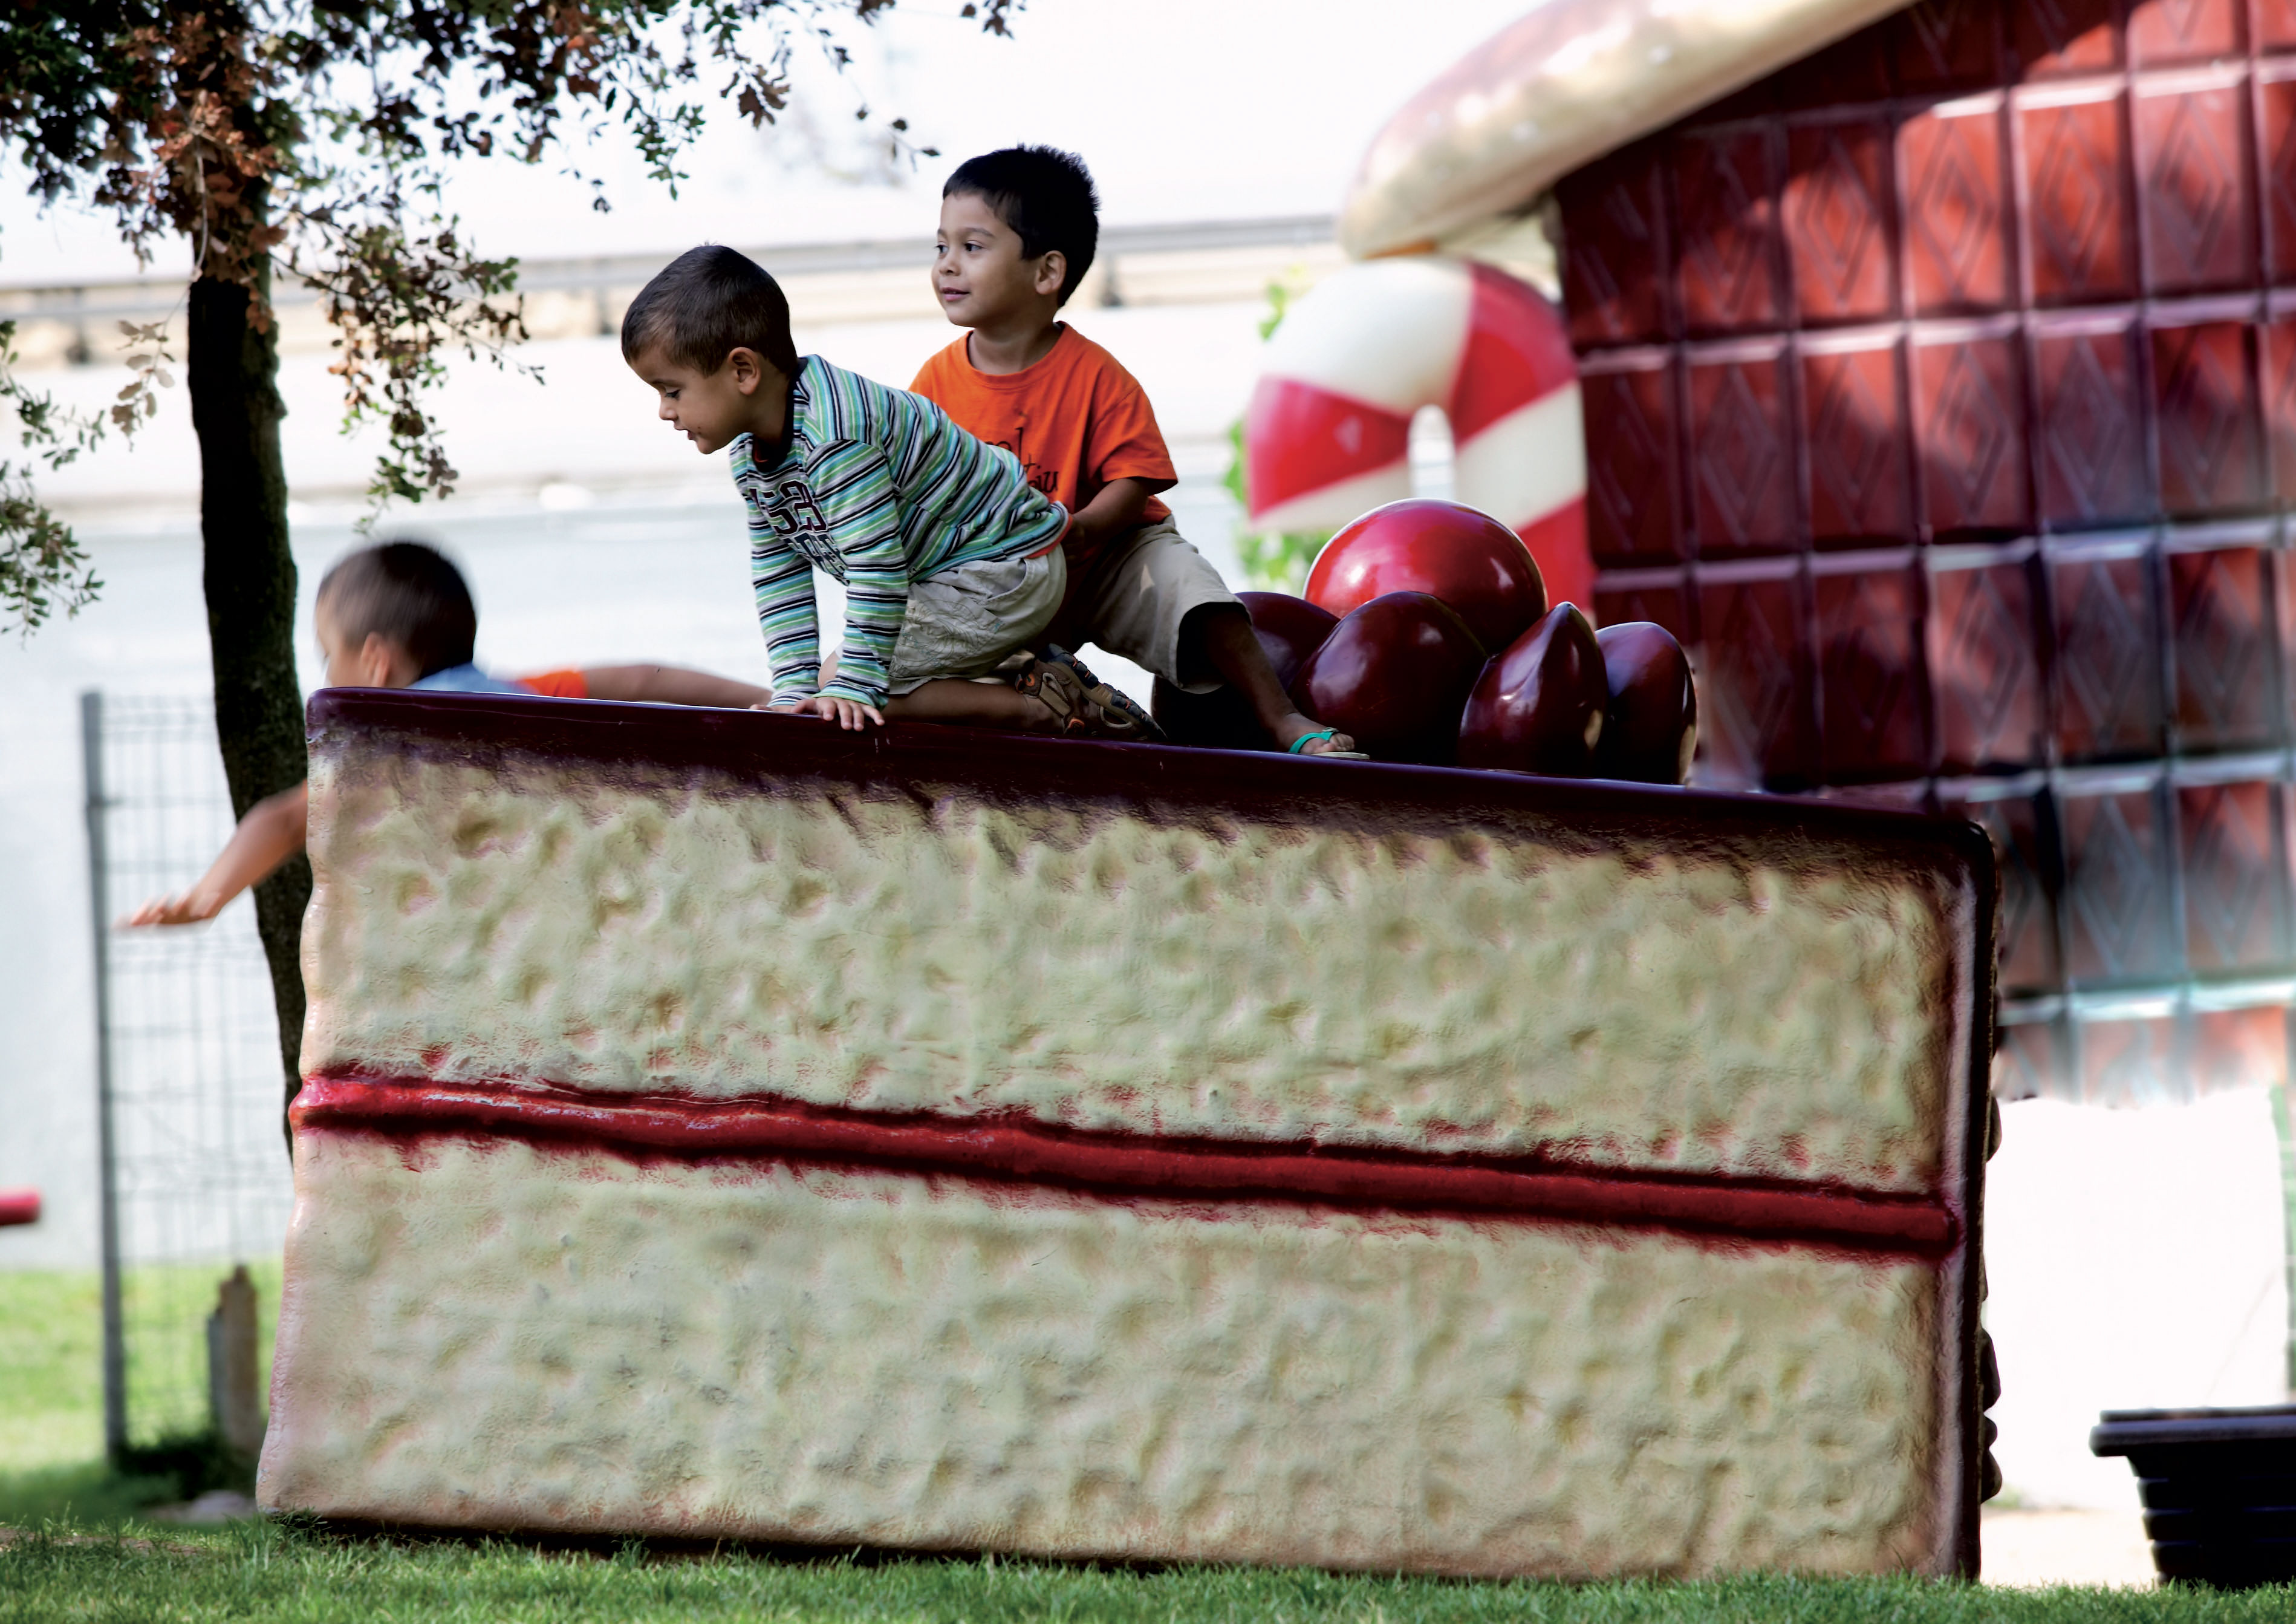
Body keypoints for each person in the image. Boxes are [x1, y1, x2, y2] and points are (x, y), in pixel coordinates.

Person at [912, 146, 1361, 758]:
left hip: (1109, 556)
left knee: (1194, 590)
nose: (946, 266)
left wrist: (1084, 528)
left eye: (972, 247)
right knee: (935, 664)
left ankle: (1282, 718)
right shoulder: (932, 388)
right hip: (1004, 580)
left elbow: (1134, 478)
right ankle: (1065, 705)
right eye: (940, 247)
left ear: (1045, 273)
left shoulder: (1095, 375)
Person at [622, 244, 1156, 740]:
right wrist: (792, 688)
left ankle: (1039, 709)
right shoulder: (751, 455)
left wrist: (848, 685)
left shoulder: (836, 438)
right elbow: (779, 573)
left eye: (673, 390)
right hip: (946, 578)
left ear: (743, 370)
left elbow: (877, 569)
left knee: (844, 695)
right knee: (822, 695)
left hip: (1005, 568)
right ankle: (1021, 677)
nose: (665, 411)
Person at [125, 539, 770, 928]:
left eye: (328, 656)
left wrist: (205, 899)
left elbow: (284, 820)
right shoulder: (521, 694)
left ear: (374, 662)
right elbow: (642, 677)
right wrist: (767, 700)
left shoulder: (386, 744)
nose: (326, 675)